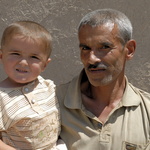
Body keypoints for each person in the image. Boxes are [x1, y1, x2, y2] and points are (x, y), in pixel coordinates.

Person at [56, 9, 150, 150]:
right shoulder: (52, 103)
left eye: (104, 47)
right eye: (85, 48)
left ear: (129, 50)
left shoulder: (147, 111)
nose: (92, 58)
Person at [0, 21, 67, 150]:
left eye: (34, 57)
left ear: (44, 65)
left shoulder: (48, 87)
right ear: (1, 56)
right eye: (16, 54)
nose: (24, 62)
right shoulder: (1, 97)